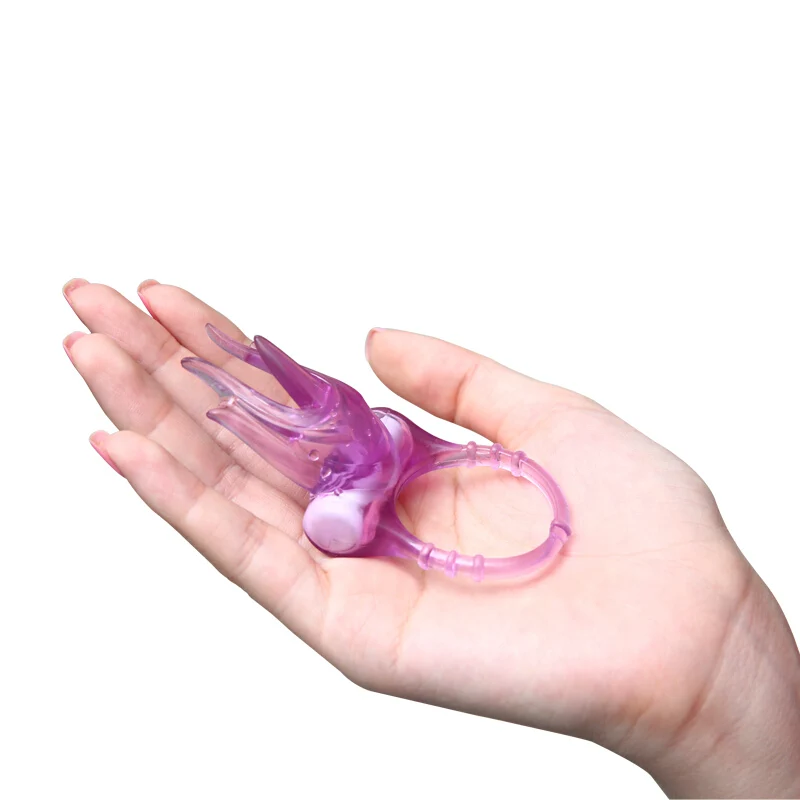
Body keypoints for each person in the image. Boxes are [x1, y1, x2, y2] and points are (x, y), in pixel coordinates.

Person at [62, 278, 800, 799]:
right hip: (364, 489)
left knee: (274, 400)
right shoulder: (353, 484)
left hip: (376, 478)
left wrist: (721, 692)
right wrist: (722, 716)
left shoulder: (373, 455)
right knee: (249, 402)